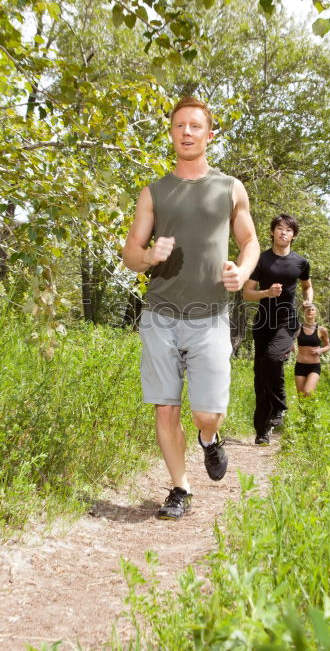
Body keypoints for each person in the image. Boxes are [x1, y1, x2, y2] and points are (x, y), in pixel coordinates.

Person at [121, 96, 259, 521]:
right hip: (160, 313)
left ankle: (208, 440)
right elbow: (130, 252)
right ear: (171, 134)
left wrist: (242, 271)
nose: (186, 132)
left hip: (211, 314)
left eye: (195, 126)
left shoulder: (230, 188)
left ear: (209, 135)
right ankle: (180, 488)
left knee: (206, 413)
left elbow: (250, 242)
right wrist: (150, 256)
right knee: (166, 406)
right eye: (179, 126)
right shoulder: (155, 191)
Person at [241, 214, 313, 445]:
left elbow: (307, 286)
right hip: (263, 322)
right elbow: (247, 292)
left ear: (294, 235)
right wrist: (266, 293)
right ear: (272, 232)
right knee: (261, 375)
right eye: (279, 228)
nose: (283, 232)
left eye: (288, 230)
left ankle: (279, 406)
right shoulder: (261, 260)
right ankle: (262, 430)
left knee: (272, 359)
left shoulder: (301, 263)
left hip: (286, 321)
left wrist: (308, 301)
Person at [293, 303, 330, 396]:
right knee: (301, 397)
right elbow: (288, 339)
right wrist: (290, 345)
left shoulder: (322, 330)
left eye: (312, 309)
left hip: (314, 367)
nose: (310, 311)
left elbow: (328, 346)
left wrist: (320, 350)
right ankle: (307, 411)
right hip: (300, 366)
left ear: (316, 313)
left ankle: (312, 409)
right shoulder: (298, 329)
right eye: (307, 310)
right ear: (304, 313)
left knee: (308, 392)